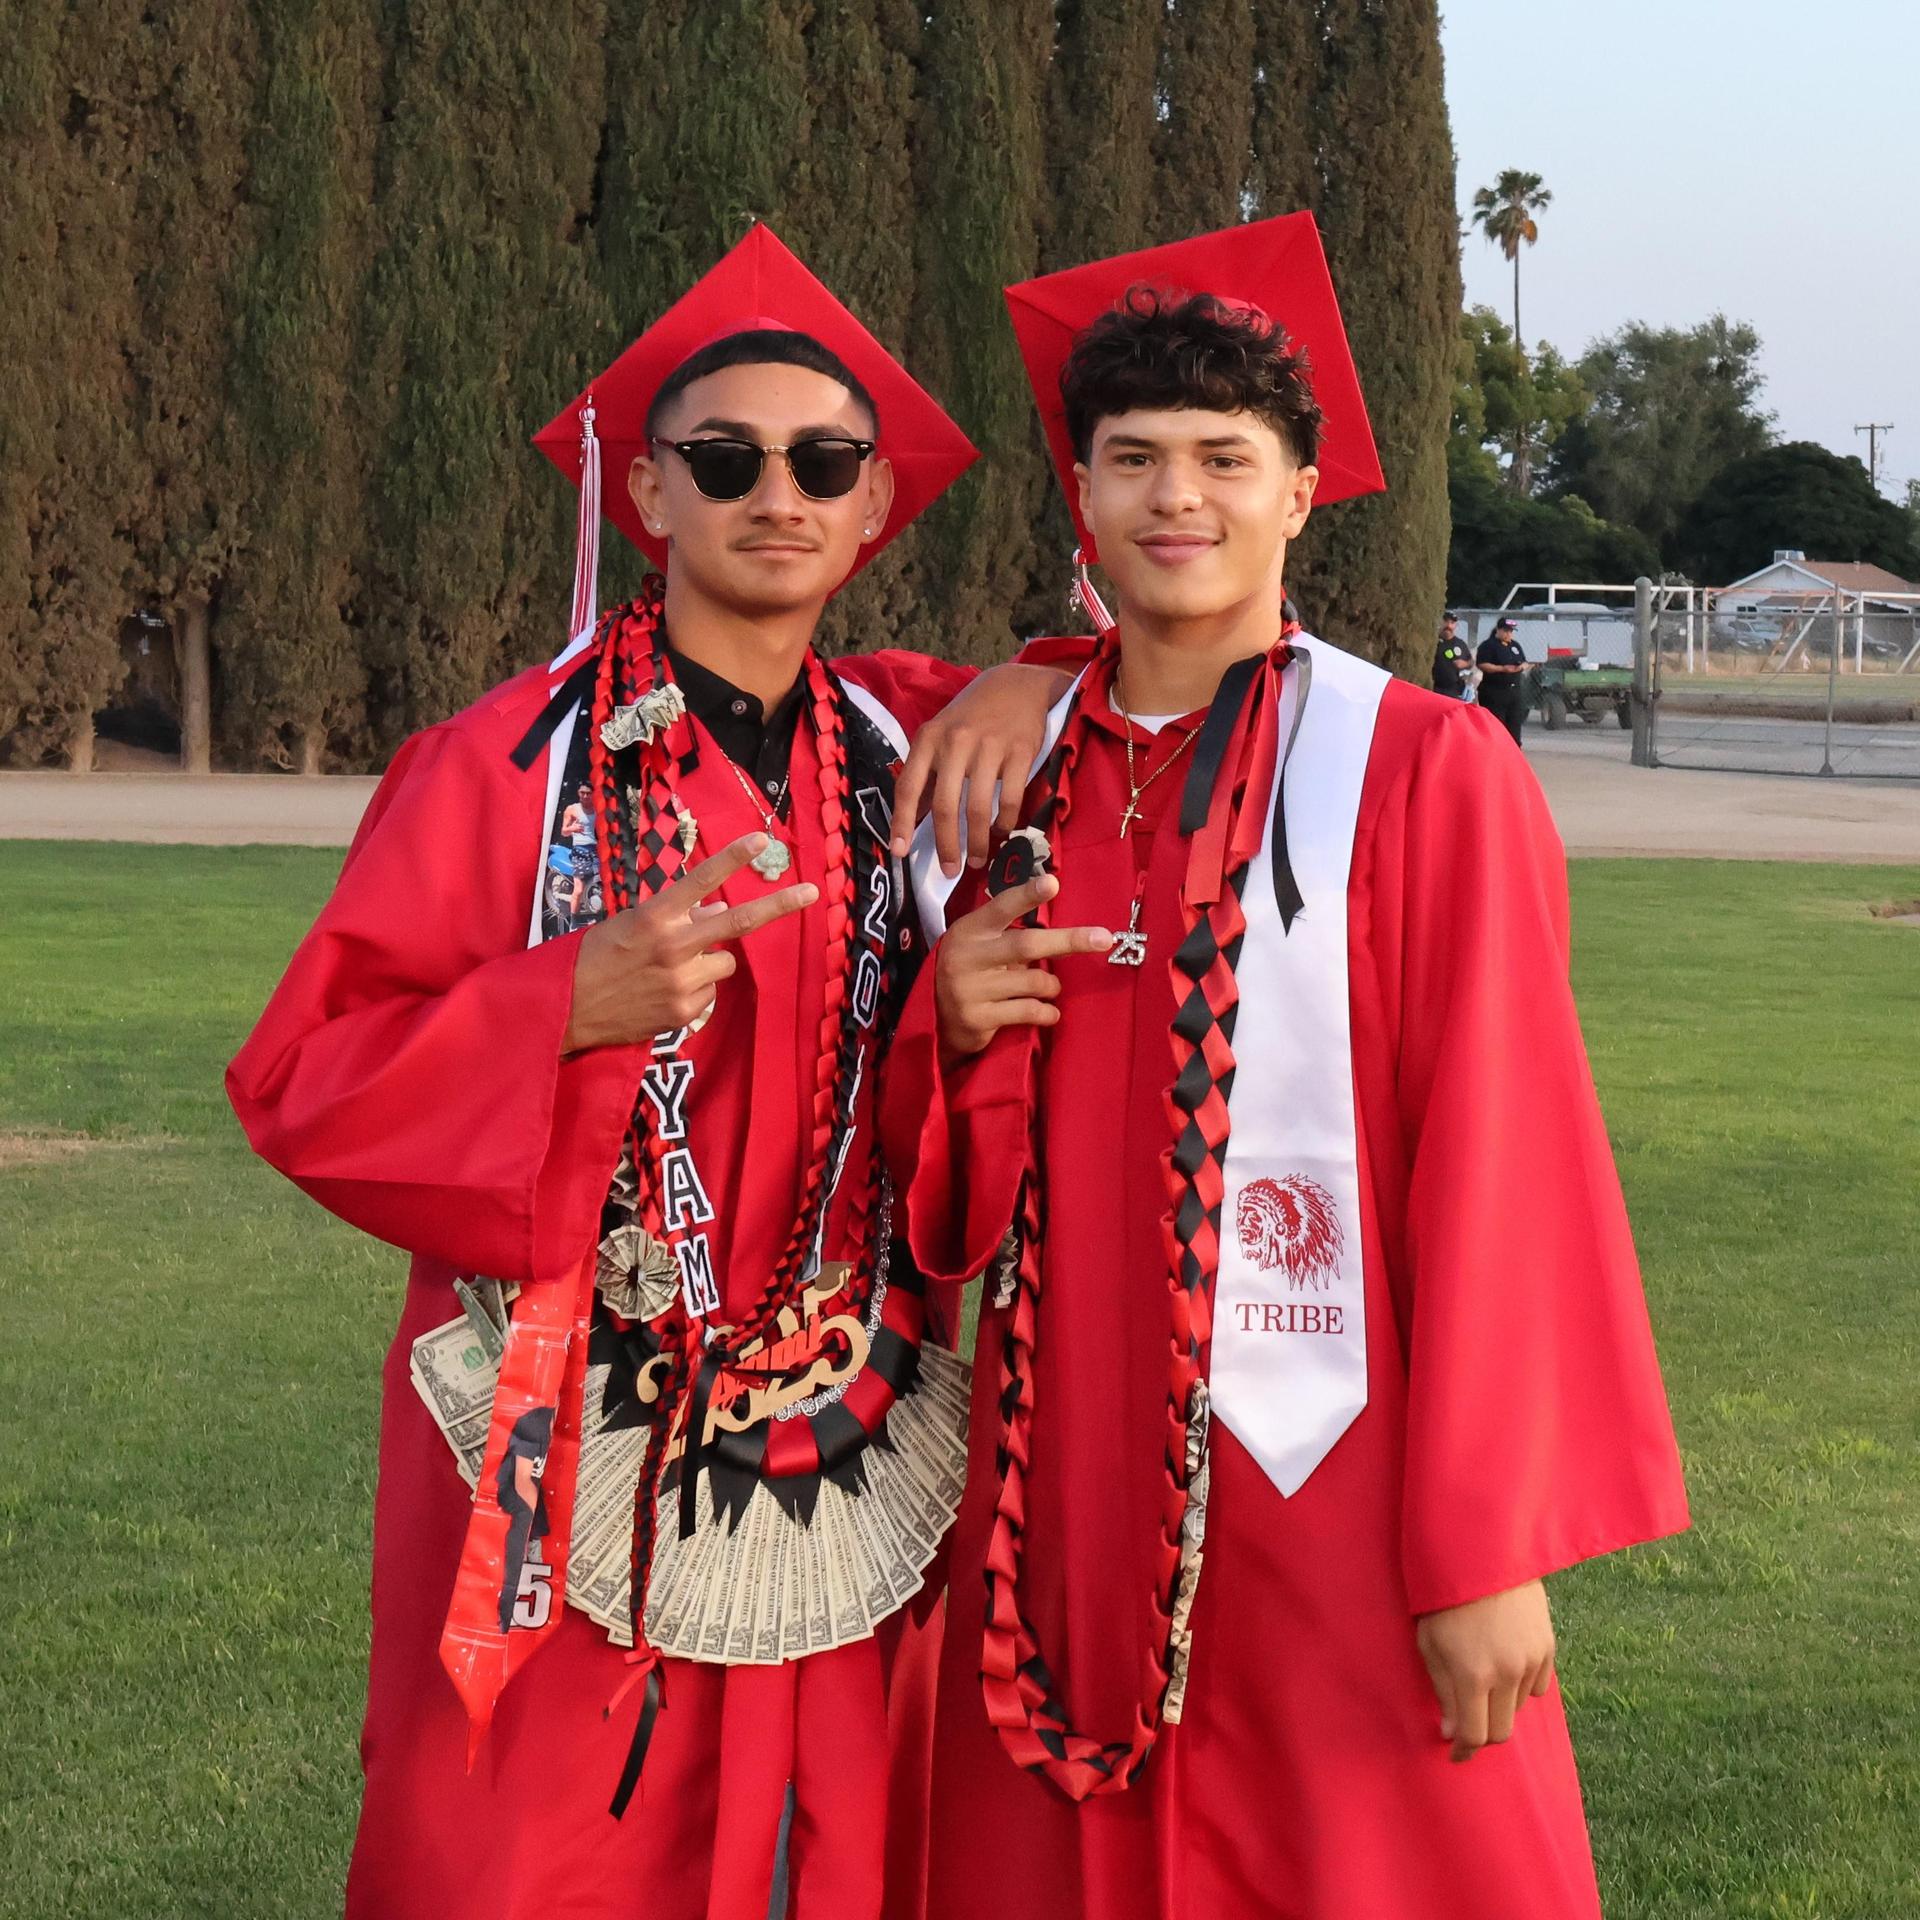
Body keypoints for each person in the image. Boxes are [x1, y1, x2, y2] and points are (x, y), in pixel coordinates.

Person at [227, 223, 1085, 1920]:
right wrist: (561, 999)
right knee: (518, 1841)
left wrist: (1030, 675)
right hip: (571, 1400)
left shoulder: (915, 752)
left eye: (825, 462)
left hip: (836, 1406)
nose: (780, 491)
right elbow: (305, 1078)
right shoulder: (503, 770)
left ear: (871, 509)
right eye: (727, 457)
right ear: (650, 501)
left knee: (830, 1841)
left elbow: (1158, 666)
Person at [881, 211, 1689, 1920]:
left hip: (1327, 1462)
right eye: (1132, 462)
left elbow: (1506, 1156)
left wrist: (1487, 1547)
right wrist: (947, 1028)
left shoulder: (1424, 771)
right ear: (1080, 500)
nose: (1179, 498)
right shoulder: (1002, 774)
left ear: (1302, 491)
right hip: (1058, 1467)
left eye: (1224, 460)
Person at [1476, 615, 1530, 744]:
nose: (1508, 634)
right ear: (1498, 630)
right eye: (1506, 630)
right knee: (1496, 725)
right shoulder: (1488, 645)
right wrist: (1502, 669)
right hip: (1495, 692)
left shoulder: (1515, 646)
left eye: (1511, 631)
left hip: (1514, 691)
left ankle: (1515, 750)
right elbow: (1482, 664)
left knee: (1515, 724)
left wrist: (1522, 666)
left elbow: (1524, 661)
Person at [1432, 611, 1473, 702]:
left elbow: (1471, 662)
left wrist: (1465, 664)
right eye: (1446, 621)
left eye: (1452, 623)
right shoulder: (1432, 641)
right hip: (1434, 688)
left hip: (1454, 690)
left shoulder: (1460, 644)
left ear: (1456, 625)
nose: (1448, 626)